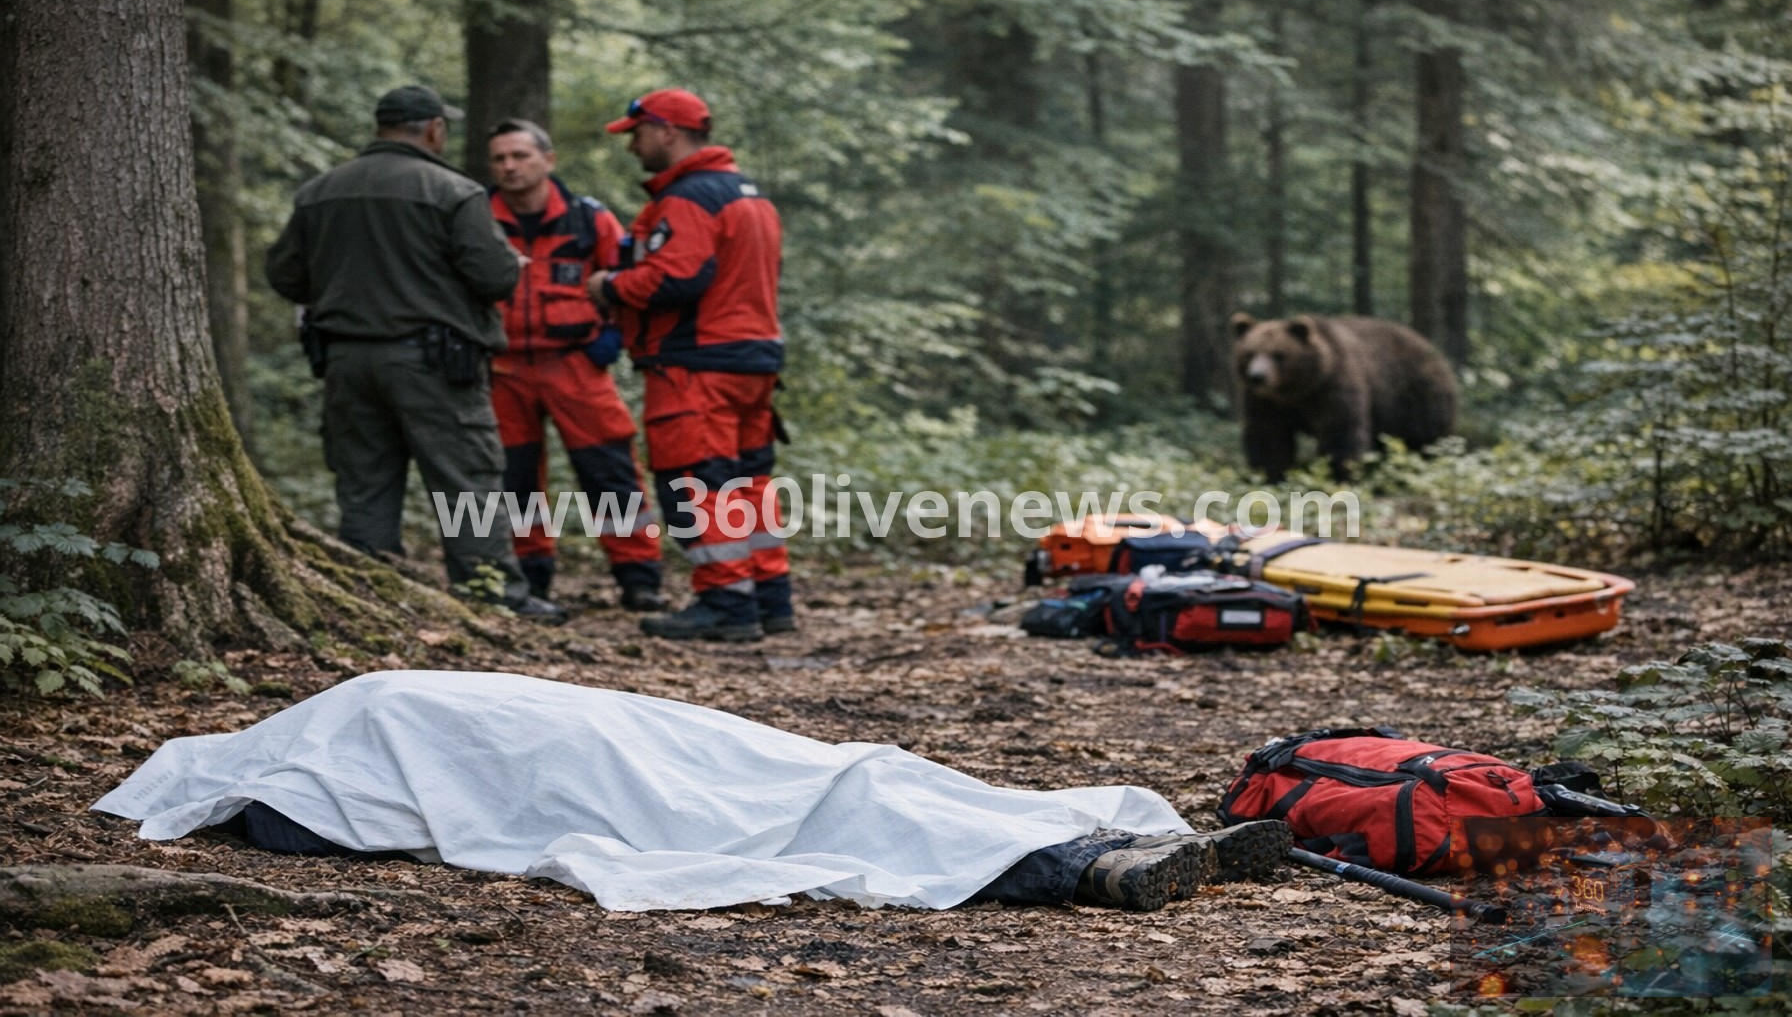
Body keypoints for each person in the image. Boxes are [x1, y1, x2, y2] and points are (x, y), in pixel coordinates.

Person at [95, 670, 1293, 912]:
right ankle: (1091, 853)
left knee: (819, 797)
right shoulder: (353, 717)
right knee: (827, 793)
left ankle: (1085, 856)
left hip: (623, 743)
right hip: (617, 737)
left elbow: (316, 826)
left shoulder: (322, 746)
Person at [265, 86, 563, 623]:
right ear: (434, 130)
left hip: (347, 361)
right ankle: (490, 598)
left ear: (381, 126)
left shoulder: (320, 192)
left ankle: (368, 598)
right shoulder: (453, 191)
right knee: (465, 480)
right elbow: (493, 275)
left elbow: (284, 274)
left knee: (364, 480)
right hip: (435, 363)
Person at [590, 89, 793, 642]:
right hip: (753, 362)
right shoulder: (750, 195)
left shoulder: (688, 200)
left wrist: (610, 286)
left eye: (637, 133)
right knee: (747, 481)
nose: (633, 146)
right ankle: (770, 597)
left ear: (667, 132)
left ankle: (726, 602)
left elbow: (676, 278)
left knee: (697, 483)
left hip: (696, 367)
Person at [484, 119, 667, 611]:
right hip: (502, 370)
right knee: (512, 478)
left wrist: (611, 341)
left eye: (520, 156)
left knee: (609, 470)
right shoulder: (477, 217)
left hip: (576, 364)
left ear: (548, 160)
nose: (509, 166)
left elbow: (628, 283)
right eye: (500, 158)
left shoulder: (589, 219)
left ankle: (639, 577)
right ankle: (531, 577)